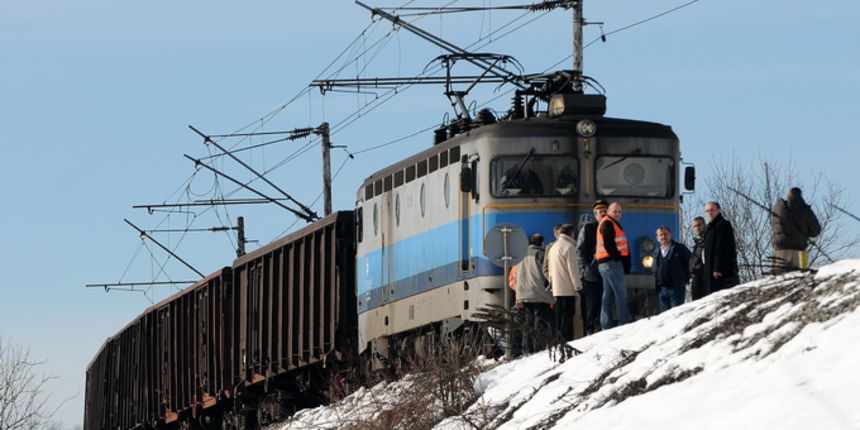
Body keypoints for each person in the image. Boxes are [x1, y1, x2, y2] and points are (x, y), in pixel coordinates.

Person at [514, 234, 555, 353]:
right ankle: (538, 346)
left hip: (523, 293)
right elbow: (546, 272)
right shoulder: (540, 254)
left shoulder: (520, 256)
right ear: (541, 243)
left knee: (528, 320)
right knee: (540, 319)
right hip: (538, 292)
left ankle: (527, 347)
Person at [596, 202, 631, 329]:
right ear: (609, 211)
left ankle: (606, 324)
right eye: (615, 211)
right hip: (611, 263)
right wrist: (617, 258)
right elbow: (609, 244)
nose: (617, 214)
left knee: (608, 295)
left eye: (620, 212)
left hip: (606, 263)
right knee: (621, 294)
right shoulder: (608, 224)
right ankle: (624, 323)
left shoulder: (610, 223)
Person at [576, 200, 608, 335]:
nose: (602, 214)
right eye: (600, 212)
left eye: (604, 211)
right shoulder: (588, 229)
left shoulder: (612, 228)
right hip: (591, 275)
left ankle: (603, 329)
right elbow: (580, 251)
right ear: (595, 215)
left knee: (605, 304)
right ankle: (590, 331)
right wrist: (586, 267)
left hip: (607, 273)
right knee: (591, 306)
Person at [771, 187, 821, 273]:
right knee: (801, 277)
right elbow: (816, 231)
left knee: (778, 279)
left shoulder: (778, 208)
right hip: (799, 250)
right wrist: (805, 232)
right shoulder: (805, 210)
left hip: (779, 248)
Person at [547, 224, 583, 341]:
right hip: (568, 288)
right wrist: (577, 286)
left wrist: (552, 284)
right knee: (568, 315)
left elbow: (550, 270)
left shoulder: (553, 247)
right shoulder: (569, 247)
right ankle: (567, 338)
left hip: (557, 288)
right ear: (572, 233)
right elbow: (573, 269)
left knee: (559, 314)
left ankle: (558, 337)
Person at [653, 226, 692, 312]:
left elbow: (691, 262)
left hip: (676, 288)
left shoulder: (679, 248)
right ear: (657, 238)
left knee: (676, 315)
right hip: (662, 290)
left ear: (670, 235)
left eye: (666, 234)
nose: (663, 237)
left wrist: (686, 278)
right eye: (661, 235)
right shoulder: (656, 253)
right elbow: (655, 270)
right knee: (665, 317)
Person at [702, 201, 739, 292]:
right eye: (707, 211)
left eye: (712, 210)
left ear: (718, 210)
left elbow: (722, 248)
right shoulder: (709, 228)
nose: (709, 213)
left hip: (721, 270)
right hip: (710, 268)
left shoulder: (722, 224)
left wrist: (718, 268)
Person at [689, 216, 708, 300]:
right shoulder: (697, 242)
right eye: (695, 226)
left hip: (704, 276)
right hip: (696, 275)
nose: (697, 228)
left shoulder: (708, 240)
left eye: (699, 225)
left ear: (705, 225)